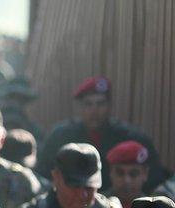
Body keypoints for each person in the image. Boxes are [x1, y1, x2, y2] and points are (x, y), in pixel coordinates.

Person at [35, 76, 166, 191]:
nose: (94, 111)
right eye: (88, 104)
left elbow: (154, 179)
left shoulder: (131, 138)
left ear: (110, 106)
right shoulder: (61, 136)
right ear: (80, 107)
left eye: (100, 104)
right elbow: (43, 175)